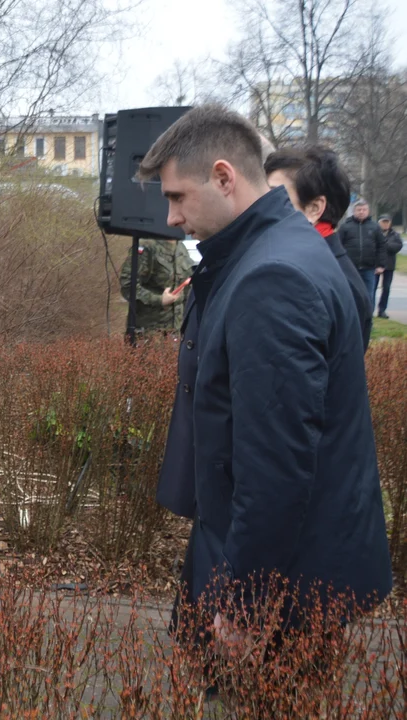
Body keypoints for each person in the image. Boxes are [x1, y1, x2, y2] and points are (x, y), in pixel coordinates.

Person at [140, 105, 391, 656]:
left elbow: (275, 464)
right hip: (272, 561)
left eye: (177, 196)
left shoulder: (272, 276)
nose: (172, 218)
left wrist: (246, 604)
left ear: (224, 177)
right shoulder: (272, 250)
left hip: (283, 585)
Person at [264, 146, 372, 347]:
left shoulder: (336, 283)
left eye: (275, 197)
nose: (261, 208)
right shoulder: (299, 265)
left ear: (314, 208)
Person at [117, 237, 192, 332]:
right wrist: (159, 300)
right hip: (149, 331)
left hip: (177, 331)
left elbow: (187, 290)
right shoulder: (147, 246)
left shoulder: (181, 247)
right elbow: (128, 285)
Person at [339, 198, 385, 308]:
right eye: (359, 209)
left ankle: (368, 321)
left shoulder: (375, 227)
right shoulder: (346, 226)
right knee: (350, 295)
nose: (361, 212)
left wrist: (381, 265)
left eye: (364, 209)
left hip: (369, 268)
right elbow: (338, 246)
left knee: (368, 295)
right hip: (350, 268)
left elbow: (381, 246)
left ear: (368, 211)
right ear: (354, 211)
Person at [377, 215, 402, 319]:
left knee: (386, 288)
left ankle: (382, 310)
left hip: (389, 265)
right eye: (384, 222)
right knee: (372, 288)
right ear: (379, 222)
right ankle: (370, 309)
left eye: (387, 222)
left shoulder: (395, 234)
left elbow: (396, 246)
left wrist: (383, 243)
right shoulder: (375, 232)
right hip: (376, 265)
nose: (386, 224)